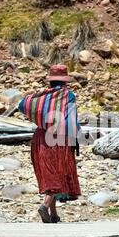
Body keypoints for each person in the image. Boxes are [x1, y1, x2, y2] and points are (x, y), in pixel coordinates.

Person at [17, 65, 81, 223]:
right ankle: (44, 206)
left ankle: (53, 214)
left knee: (48, 173)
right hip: (58, 139)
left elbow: (21, 105)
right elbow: (71, 120)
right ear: (65, 81)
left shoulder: (42, 96)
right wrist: (75, 140)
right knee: (58, 173)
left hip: (39, 138)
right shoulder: (67, 95)